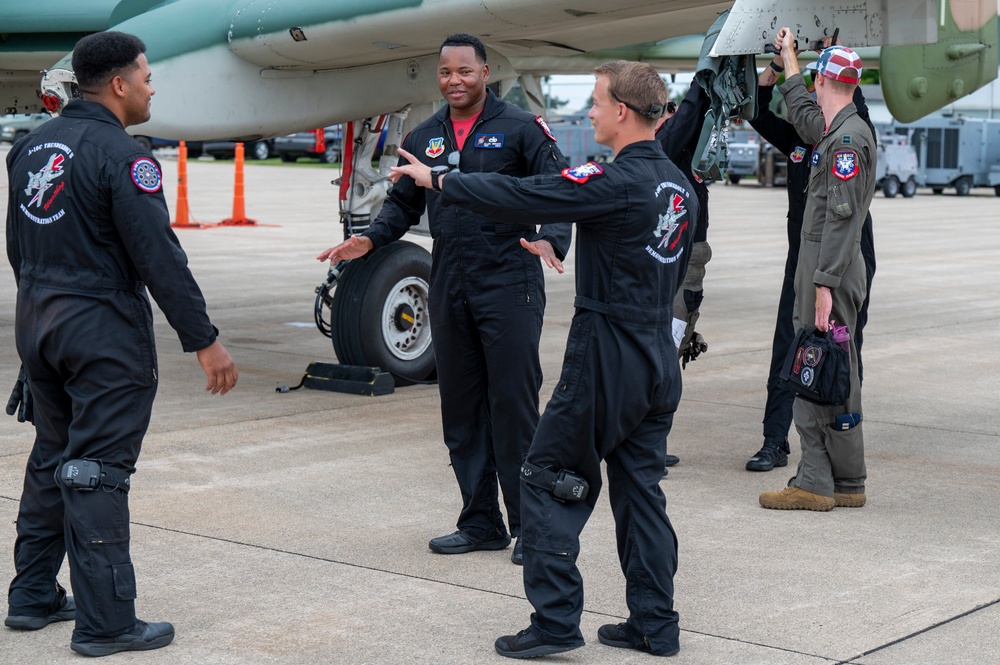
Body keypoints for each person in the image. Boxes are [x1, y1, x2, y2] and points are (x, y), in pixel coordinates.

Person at [392, 59, 695, 659]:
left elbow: (525, 192)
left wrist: (443, 182)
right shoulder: (679, 185)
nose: (590, 111)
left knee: (545, 475)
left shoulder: (615, 180)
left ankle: (556, 621)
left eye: (597, 101)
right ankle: (654, 625)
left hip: (609, 349)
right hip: (659, 351)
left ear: (623, 113)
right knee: (640, 492)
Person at [4, 31, 238, 656]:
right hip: (100, 331)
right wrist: (204, 339)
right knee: (96, 470)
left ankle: (30, 596)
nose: (152, 86)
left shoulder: (30, 148)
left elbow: (18, 246)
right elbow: (159, 256)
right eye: (146, 76)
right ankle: (107, 623)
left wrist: (36, 326)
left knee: (54, 456)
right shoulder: (123, 156)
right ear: (118, 84)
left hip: (39, 321)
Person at [317, 34, 571, 566]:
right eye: (445, 72)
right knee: (460, 409)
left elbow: (559, 188)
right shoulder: (425, 135)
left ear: (485, 72)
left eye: (465, 71)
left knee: (514, 407)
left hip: (509, 279)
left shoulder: (521, 128)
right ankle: (480, 522)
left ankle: (532, 527)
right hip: (450, 279)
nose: (454, 80)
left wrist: (552, 237)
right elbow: (402, 205)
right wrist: (371, 239)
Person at [746, 41, 877, 473]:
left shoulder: (848, 133)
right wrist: (779, 65)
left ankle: (835, 464)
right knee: (791, 344)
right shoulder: (805, 136)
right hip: (803, 259)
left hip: (838, 260)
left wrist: (824, 59)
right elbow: (759, 109)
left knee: (840, 354)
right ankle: (775, 441)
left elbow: (842, 95)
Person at [656, 82, 713, 474]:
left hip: (692, 264)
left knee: (672, 354)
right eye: (667, 109)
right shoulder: (664, 145)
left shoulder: (682, 151)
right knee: (662, 355)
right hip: (675, 263)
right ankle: (646, 447)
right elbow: (687, 121)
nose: (675, 114)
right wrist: (704, 81)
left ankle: (653, 444)